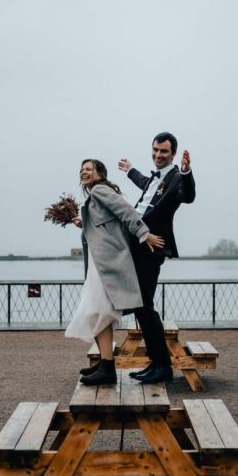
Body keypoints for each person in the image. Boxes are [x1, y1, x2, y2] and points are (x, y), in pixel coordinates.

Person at [65, 159, 164, 385]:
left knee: (97, 310)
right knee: (95, 311)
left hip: (106, 263)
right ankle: (104, 363)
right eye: (81, 169)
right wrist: (84, 222)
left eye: (89, 169)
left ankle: (108, 368)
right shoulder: (94, 196)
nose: (84, 172)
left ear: (100, 174)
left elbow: (125, 210)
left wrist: (143, 233)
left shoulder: (100, 190)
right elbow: (107, 224)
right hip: (99, 264)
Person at [118, 132, 195, 383]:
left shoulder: (175, 178)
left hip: (152, 247)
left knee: (144, 305)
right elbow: (145, 184)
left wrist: (186, 172)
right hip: (135, 243)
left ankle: (162, 366)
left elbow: (188, 196)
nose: (158, 155)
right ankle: (156, 362)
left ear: (172, 153)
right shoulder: (155, 178)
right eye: (155, 150)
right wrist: (130, 170)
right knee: (141, 305)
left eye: (163, 151)